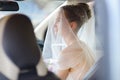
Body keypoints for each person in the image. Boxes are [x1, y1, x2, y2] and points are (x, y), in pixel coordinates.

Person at [43, 2, 97, 80]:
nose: (54, 24)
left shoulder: (68, 52)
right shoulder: (83, 45)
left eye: (58, 20)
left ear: (72, 26)